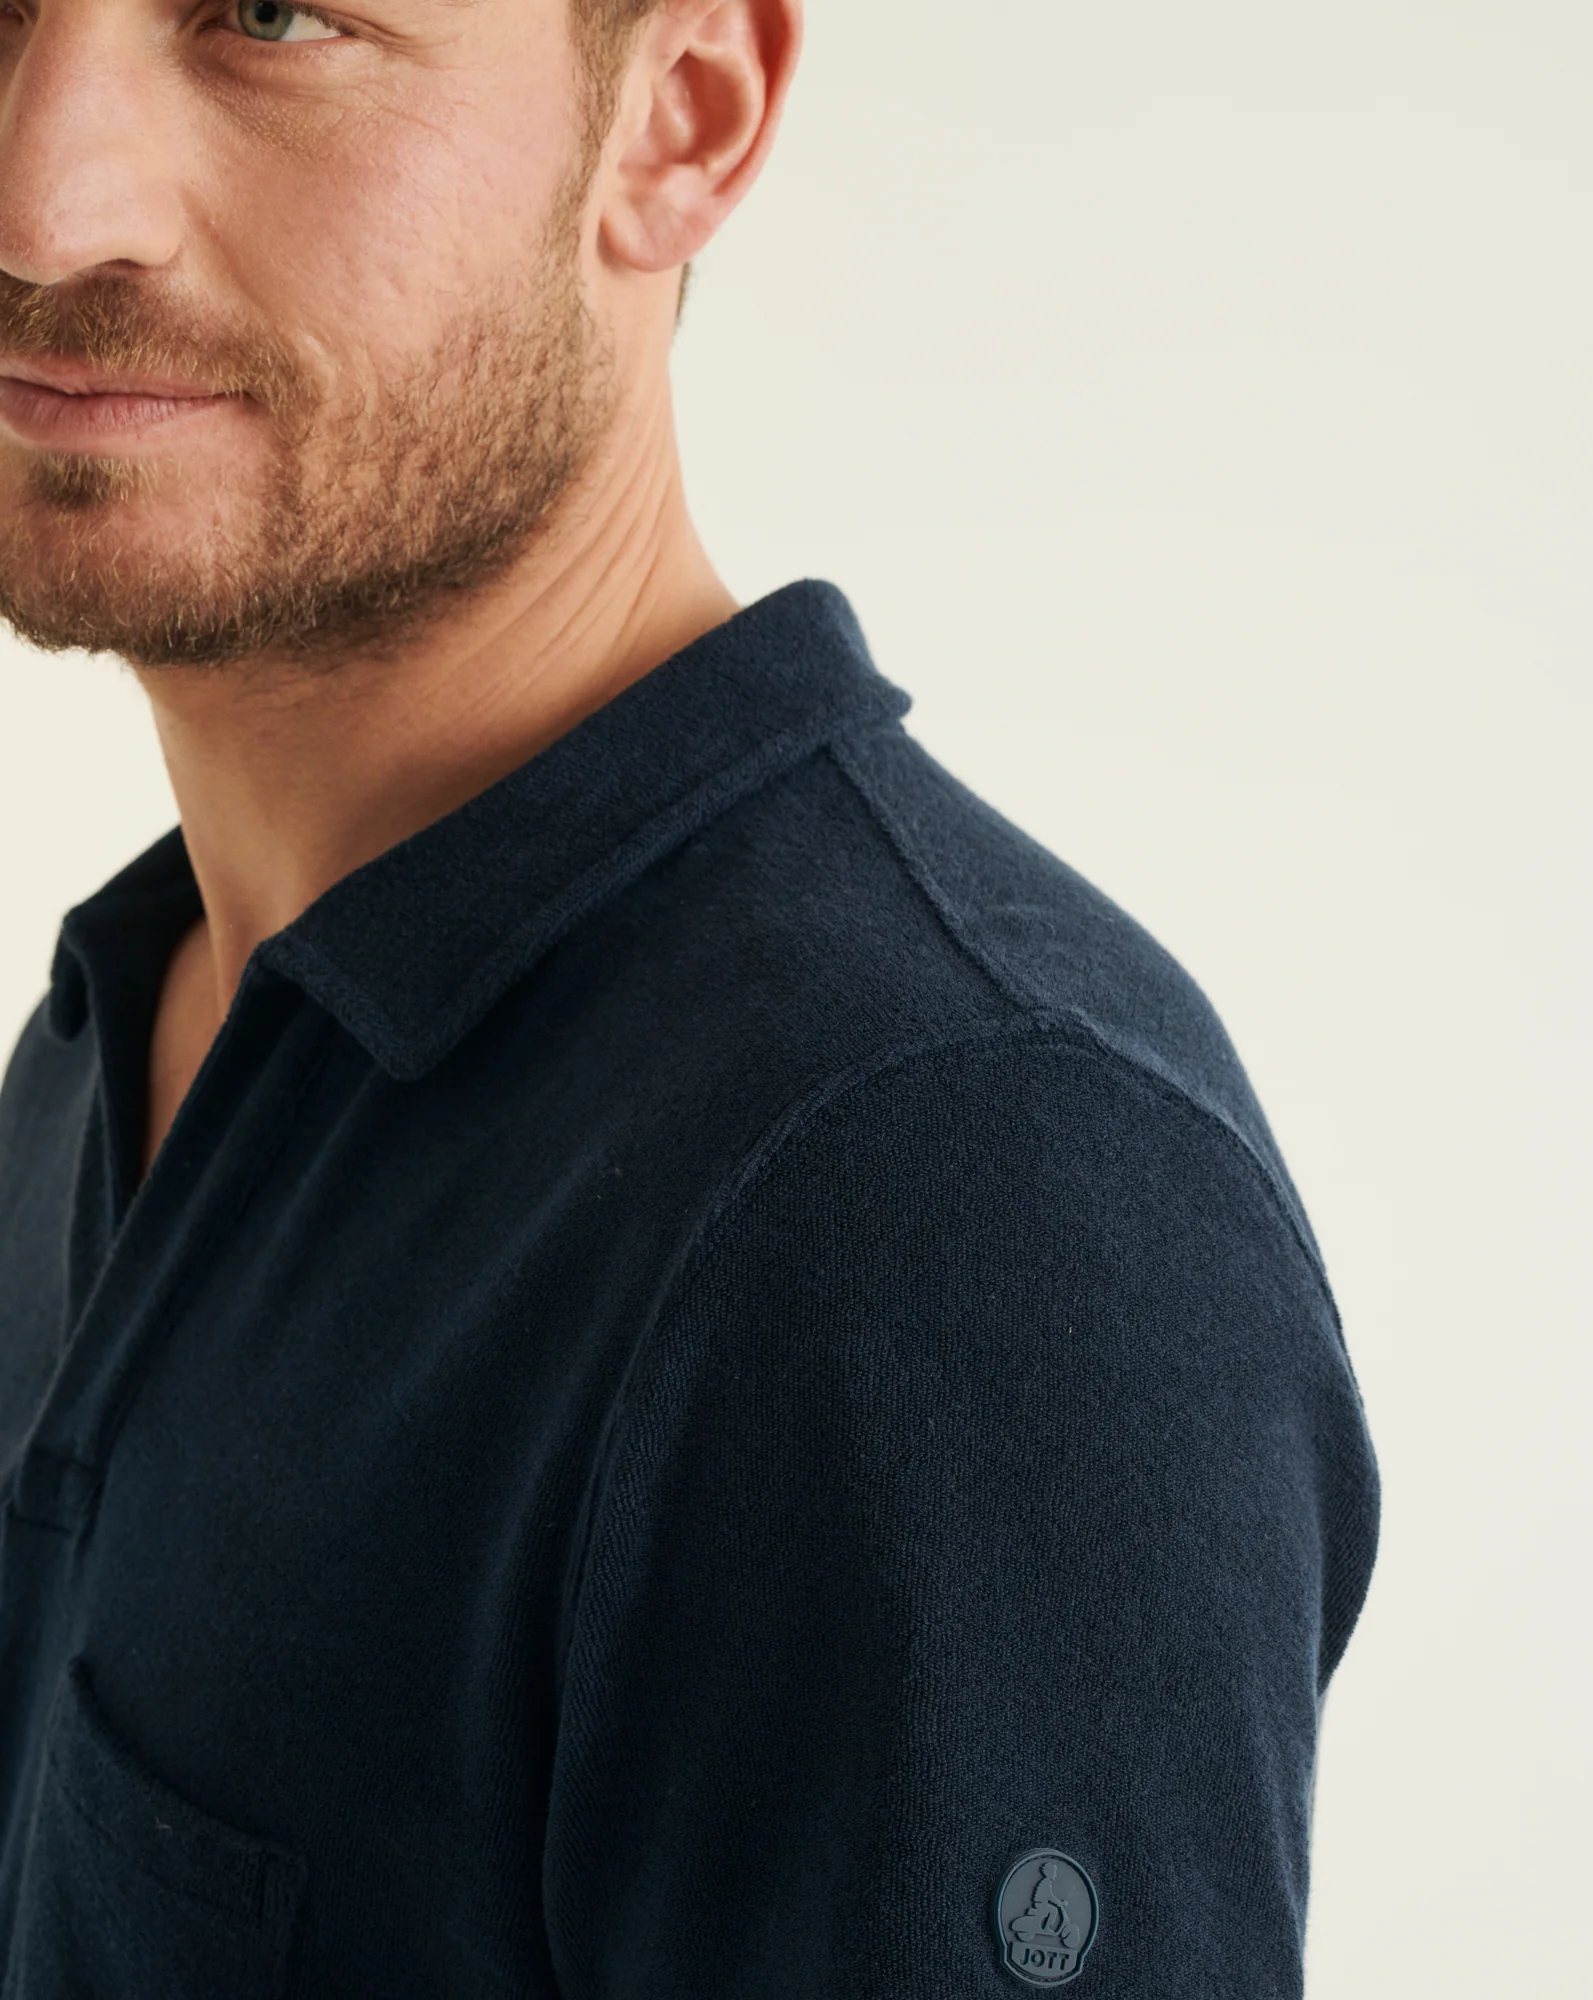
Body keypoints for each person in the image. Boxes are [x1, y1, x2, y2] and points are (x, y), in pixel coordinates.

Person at [0, 0, 1381, 1993]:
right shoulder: (128, 1027)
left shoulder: (940, 1202)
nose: (40, 202)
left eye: (268, 14)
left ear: (680, 119)